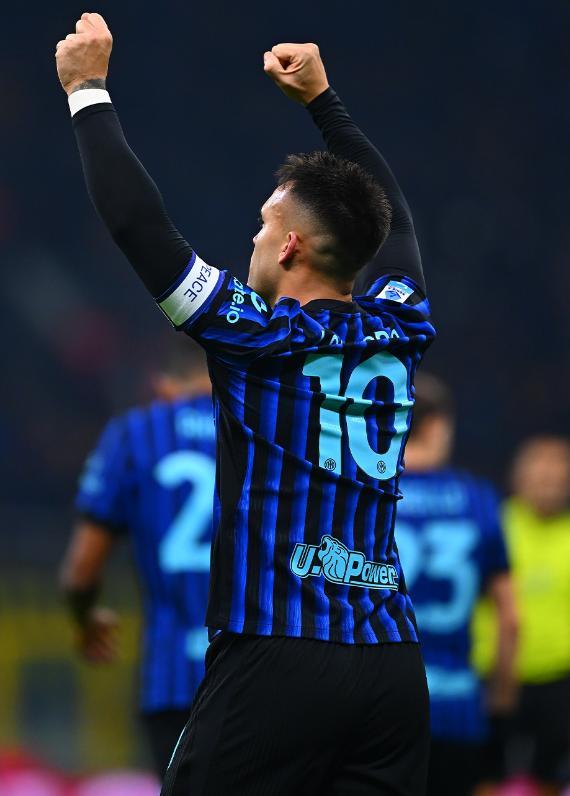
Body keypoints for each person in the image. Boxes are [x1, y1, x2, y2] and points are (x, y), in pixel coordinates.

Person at [55, 15, 436, 795]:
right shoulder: (400, 325)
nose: (255, 237)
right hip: (392, 670)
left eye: (265, 224)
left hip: (277, 654)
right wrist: (325, 102)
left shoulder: (256, 335)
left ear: (291, 246)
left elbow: (138, 226)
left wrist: (86, 90)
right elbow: (395, 220)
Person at [60, 339, 216, 781]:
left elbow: (81, 570)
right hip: (265, 672)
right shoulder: (268, 425)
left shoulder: (136, 434)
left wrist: (85, 617)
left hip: (174, 682)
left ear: (163, 385)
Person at [395, 373, 518, 796]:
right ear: (438, 426)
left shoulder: (366, 493)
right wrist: (500, 707)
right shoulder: (479, 498)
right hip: (457, 707)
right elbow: (510, 620)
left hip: (378, 703)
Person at [474, 436, 570, 795]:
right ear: (518, 477)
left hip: (559, 681)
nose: (549, 483)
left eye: (558, 476)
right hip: (493, 676)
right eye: (541, 475)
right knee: (485, 777)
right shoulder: (492, 526)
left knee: (551, 779)